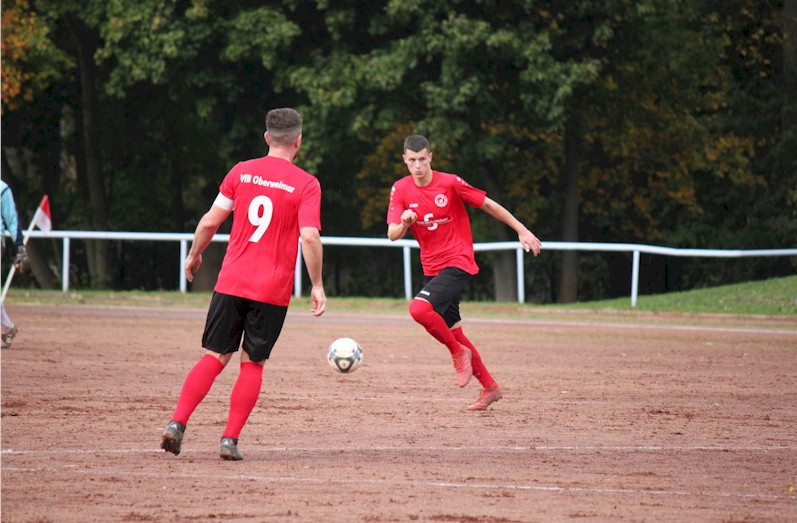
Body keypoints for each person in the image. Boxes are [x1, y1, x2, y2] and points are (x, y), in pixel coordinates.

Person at [160, 108, 326, 461]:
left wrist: (194, 255)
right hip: (272, 290)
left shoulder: (242, 171)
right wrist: (317, 284)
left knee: (214, 357)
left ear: (266, 138)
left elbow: (209, 221)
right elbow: (309, 237)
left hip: (232, 281)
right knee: (252, 364)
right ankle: (228, 440)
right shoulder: (306, 183)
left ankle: (177, 423)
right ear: (298, 141)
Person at [387, 135, 541, 410]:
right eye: (412, 160)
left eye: (423, 159)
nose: (418, 165)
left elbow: (489, 204)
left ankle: (459, 354)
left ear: (431, 157)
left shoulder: (450, 183)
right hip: (432, 269)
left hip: (458, 262)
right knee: (454, 332)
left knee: (418, 310)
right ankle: (490, 387)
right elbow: (392, 235)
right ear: (405, 160)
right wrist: (405, 223)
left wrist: (521, 229)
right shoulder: (400, 189)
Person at [1, 181, 30, 349]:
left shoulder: (2, 188)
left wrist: (20, 247)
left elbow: (11, 218)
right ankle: (7, 327)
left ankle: (7, 326)